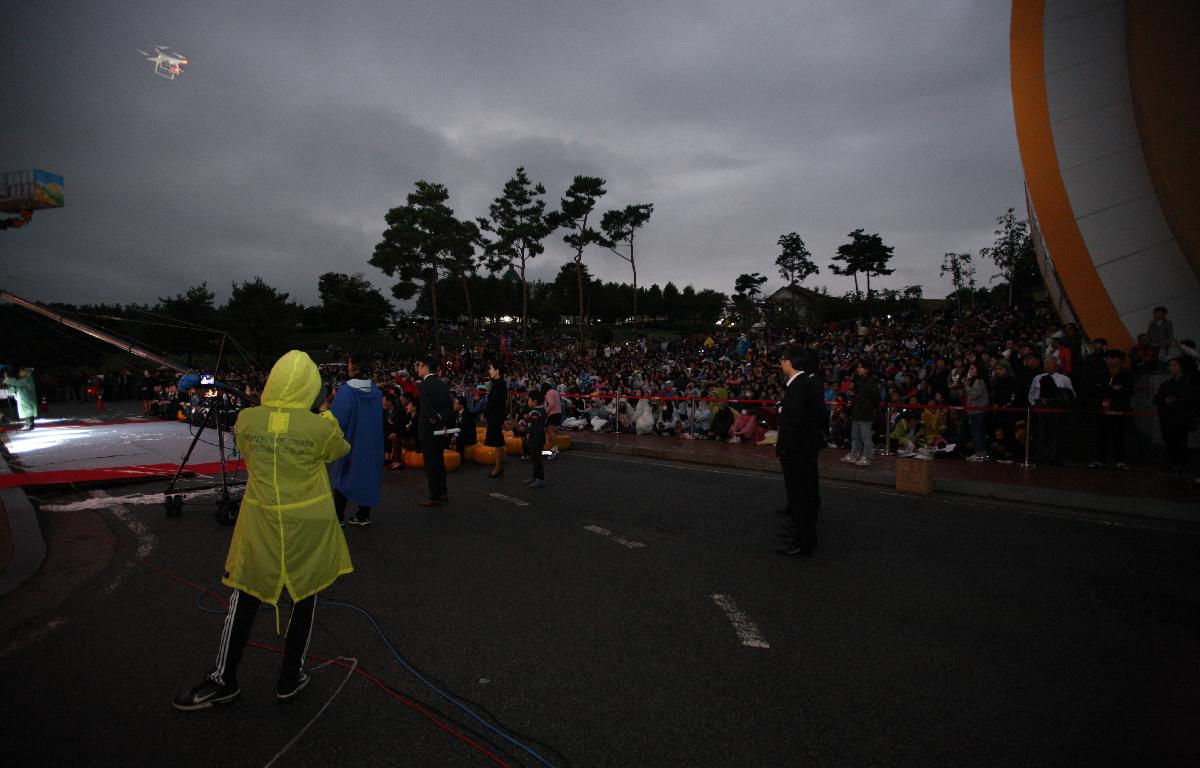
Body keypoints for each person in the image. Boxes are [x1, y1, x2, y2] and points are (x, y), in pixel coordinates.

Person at [173, 350, 352, 710]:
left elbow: (251, 446)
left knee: (244, 596)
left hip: (261, 523)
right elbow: (338, 450)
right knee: (305, 597)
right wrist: (325, 416)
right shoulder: (321, 427)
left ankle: (224, 679)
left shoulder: (247, 421)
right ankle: (290, 675)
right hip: (307, 527)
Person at [775, 345, 825, 556]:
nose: (781, 363)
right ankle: (802, 535)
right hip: (805, 448)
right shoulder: (805, 383)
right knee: (802, 494)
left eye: (783, 359)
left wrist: (784, 449)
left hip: (797, 451)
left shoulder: (799, 386)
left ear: (790, 362)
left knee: (799, 496)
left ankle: (803, 541)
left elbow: (795, 423)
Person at [328, 352, 383, 527]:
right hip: (372, 442)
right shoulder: (376, 392)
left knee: (343, 475)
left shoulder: (346, 392)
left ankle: (338, 517)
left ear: (354, 367)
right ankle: (363, 515)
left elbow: (337, 421)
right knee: (368, 475)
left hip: (351, 441)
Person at [1088, 349, 1135, 470]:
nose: (1110, 361)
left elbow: (1127, 391)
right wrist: (1112, 389)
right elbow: (1094, 390)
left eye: (1113, 358)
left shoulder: (1127, 375)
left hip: (1119, 409)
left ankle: (1120, 461)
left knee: (1119, 435)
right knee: (1101, 435)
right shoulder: (1101, 374)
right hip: (1102, 410)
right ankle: (1100, 460)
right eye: (1108, 358)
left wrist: (1105, 389)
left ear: (1120, 360)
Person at [417, 356, 453, 506]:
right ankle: (443, 491)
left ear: (425, 367)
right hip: (441, 428)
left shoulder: (424, 385)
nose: (418, 368)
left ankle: (434, 495)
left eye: (419, 365)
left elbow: (426, 409)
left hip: (429, 429)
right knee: (439, 462)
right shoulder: (442, 384)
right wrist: (441, 420)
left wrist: (433, 418)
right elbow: (449, 408)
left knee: (431, 464)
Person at [1153, 358, 1196, 475]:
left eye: (1174, 365)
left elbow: (1189, 401)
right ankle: (1173, 465)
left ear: (1182, 367)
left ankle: (1182, 466)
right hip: (1167, 418)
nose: (1170, 367)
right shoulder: (1167, 384)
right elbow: (1156, 399)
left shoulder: (1188, 384)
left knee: (1180, 443)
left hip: (1181, 419)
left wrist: (1171, 402)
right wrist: (1166, 401)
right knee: (1169, 442)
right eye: (1170, 365)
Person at [1028, 356, 1075, 465]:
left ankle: (1054, 457)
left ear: (1057, 366)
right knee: (1040, 432)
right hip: (1040, 407)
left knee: (1054, 432)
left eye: (1050, 364)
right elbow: (1031, 393)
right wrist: (1034, 404)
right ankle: (1039, 456)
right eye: (1045, 364)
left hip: (1056, 408)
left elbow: (1071, 395)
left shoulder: (1064, 379)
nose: (1047, 366)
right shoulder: (1038, 377)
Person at [842, 361, 880, 466]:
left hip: (866, 413)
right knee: (855, 436)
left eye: (861, 367)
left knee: (865, 437)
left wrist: (869, 407)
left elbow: (877, 397)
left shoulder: (871, 382)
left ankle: (867, 457)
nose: (859, 369)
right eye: (858, 367)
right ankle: (854, 454)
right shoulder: (858, 380)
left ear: (867, 369)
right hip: (857, 411)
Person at [483, 361, 508, 478]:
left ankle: (498, 467)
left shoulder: (499, 384)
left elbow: (493, 402)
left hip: (496, 416)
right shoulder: (499, 383)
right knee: (499, 440)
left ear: (497, 371)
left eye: (491, 369)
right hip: (497, 415)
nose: (489, 371)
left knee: (497, 440)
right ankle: (499, 466)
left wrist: (486, 414)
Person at [964, 363, 991, 461]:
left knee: (978, 432)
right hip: (975, 410)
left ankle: (981, 453)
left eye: (972, 369)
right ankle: (980, 452)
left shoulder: (978, 381)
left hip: (978, 410)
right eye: (970, 369)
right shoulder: (976, 381)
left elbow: (975, 394)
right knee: (977, 432)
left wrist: (966, 386)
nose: (970, 371)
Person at [521, 388, 547, 488]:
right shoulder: (540, 410)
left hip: (535, 439)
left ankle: (540, 479)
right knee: (535, 459)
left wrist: (524, 428)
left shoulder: (535, 412)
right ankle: (535, 476)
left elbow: (533, 427)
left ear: (535, 401)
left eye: (529, 399)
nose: (528, 401)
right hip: (538, 438)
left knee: (537, 460)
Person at [2, 366, 38, 430]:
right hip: (24, 399)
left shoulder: (28, 379)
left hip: (28, 399)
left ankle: (30, 425)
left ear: (26, 373)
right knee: (25, 411)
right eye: (20, 372)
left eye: (22, 372)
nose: (20, 373)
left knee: (28, 411)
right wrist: (11, 385)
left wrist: (8, 379)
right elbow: (17, 386)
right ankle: (27, 424)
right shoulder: (24, 379)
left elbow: (18, 383)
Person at [452, 395, 477, 462]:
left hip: (468, 436)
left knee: (459, 439)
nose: (454, 404)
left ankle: (459, 459)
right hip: (460, 433)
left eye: (456, 403)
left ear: (461, 405)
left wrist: (455, 436)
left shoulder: (467, 414)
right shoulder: (455, 413)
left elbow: (463, 427)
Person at [543, 380, 561, 459]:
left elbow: (551, 403)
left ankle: (554, 449)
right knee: (550, 431)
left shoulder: (548, 393)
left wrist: (547, 411)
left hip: (552, 413)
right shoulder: (554, 391)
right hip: (558, 412)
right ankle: (549, 449)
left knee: (551, 431)